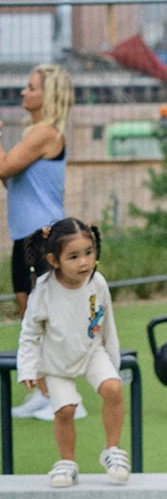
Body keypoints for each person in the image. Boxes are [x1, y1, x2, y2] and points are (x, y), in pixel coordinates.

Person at [17, 218, 128, 489]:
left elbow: (107, 322)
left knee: (113, 388)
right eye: (74, 257)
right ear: (54, 260)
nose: (84, 263)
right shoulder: (43, 290)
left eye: (89, 253)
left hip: (92, 352)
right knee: (65, 410)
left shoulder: (97, 282)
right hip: (56, 361)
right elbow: (30, 333)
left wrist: (112, 360)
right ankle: (68, 462)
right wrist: (30, 369)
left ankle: (112, 451)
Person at [3, 64, 73, 421]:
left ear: (47, 95)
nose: (23, 93)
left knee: (45, 319)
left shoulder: (45, 133)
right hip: (24, 236)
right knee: (29, 316)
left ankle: (67, 399)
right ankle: (44, 395)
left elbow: (3, 169)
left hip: (41, 235)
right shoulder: (35, 133)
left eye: (30, 88)